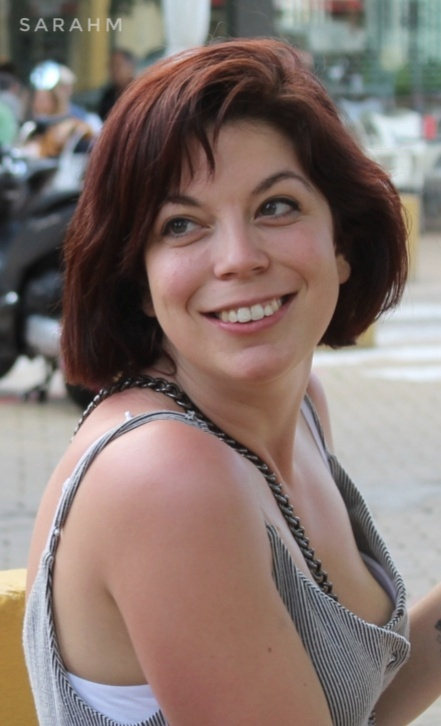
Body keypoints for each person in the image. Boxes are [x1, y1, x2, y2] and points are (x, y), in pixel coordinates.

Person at [23, 38, 441, 725]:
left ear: (341, 243)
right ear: (140, 282)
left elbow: (351, 710)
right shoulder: (166, 479)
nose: (238, 259)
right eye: (182, 225)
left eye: (275, 206)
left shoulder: (301, 408)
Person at [97, 48, 136, 120]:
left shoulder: (139, 92)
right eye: (111, 66)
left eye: (118, 66)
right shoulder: (108, 96)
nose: (114, 70)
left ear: (130, 67)